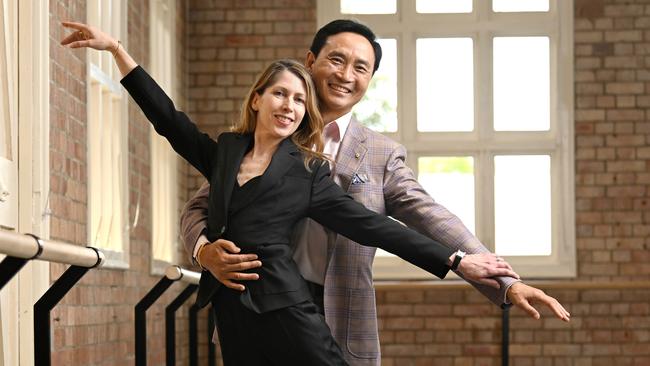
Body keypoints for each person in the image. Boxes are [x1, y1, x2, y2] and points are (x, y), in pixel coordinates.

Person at [60, 21, 524, 365]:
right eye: (281, 94)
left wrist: (460, 261)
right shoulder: (226, 152)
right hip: (233, 306)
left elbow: (377, 226)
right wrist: (118, 51)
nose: (290, 105)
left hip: (290, 306)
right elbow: (170, 123)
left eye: (299, 100)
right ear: (257, 98)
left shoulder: (309, 172)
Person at [180, 19, 571, 365]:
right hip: (253, 310)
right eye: (336, 60)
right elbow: (199, 210)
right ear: (311, 60)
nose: (346, 74)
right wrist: (203, 251)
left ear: (369, 80)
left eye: (361, 67)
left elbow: (430, 217)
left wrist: (503, 279)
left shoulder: (380, 154)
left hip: (339, 317)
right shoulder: (264, 134)